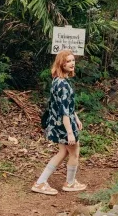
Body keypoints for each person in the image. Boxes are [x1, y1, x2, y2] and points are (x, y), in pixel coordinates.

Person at [32, 50, 85, 195]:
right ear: (61, 64)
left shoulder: (58, 80)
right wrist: (70, 133)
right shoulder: (63, 85)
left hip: (58, 123)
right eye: (68, 61)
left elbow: (66, 105)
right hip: (64, 124)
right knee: (74, 152)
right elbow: (64, 111)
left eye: (73, 60)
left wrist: (76, 117)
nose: (72, 63)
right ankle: (70, 183)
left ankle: (41, 182)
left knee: (63, 152)